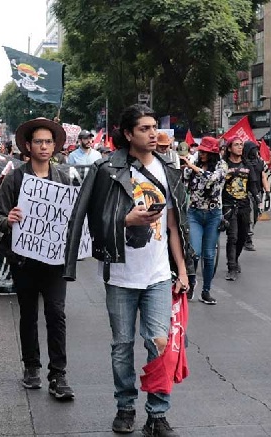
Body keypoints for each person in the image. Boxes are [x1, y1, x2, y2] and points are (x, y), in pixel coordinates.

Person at [64, 104, 193, 436]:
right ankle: (125, 407)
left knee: (159, 344)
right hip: (121, 274)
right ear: (127, 133)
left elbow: (175, 226)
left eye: (154, 128)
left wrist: (182, 269)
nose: (153, 134)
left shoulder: (168, 168)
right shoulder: (106, 170)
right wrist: (126, 220)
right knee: (122, 344)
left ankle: (157, 414)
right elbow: (88, 220)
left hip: (159, 275)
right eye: (145, 129)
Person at [0, 118, 75, 399]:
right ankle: (31, 367)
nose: (43, 146)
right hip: (24, 260)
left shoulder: (64, 178)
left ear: (55, 146)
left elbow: (72, 219)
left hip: (54, 261)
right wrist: (10, 220)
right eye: (38, 141)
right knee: (28, 314)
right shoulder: (15, 179)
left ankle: (59, 374)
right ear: (28, 146)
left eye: (48, 142)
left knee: (56, 313)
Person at [181, 137, 227, 304]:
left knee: (209, 255)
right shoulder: (194, 162)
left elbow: (213, 178)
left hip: (213, 214)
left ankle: (206, 291)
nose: (201, 154)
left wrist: (193, 167)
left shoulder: (222, 165)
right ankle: (192, 283)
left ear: (213, 153)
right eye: (200, 151)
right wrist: (185, 165)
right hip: (194, 213)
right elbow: (184, 178)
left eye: (205, 152)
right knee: (194, 252)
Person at [222, 137, 255, 281]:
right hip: (229, 205)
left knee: (242, 237)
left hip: (244, 206)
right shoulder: (223, 165)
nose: (240, 147)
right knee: (233, 236)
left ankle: (235, 259)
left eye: (241, 145)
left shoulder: (247, 165)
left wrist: (258, 200)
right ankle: (232, 267)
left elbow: (253, 185)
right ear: (229, 148)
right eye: (236, 145)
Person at [242, 141, 269, 251]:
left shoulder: (259, 162)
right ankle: (248, 240)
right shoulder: (243, 162)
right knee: (250, 216)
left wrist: (267, 190)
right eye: (253, 148)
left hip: (258, 191)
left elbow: (263, 176)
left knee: (256, 215)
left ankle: (246, 234)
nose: (255, 151)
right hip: (246, 192)